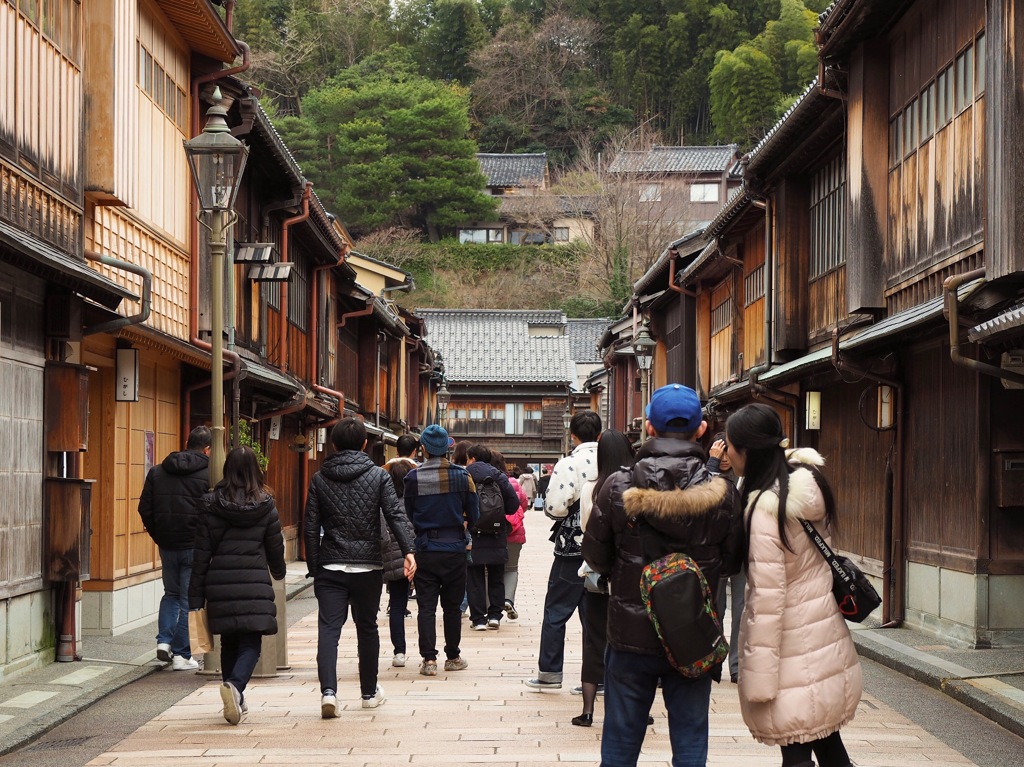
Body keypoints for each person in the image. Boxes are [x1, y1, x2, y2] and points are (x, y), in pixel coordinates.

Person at [582, 384, 744, 767]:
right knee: (690, 740)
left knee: (621, 740)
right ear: (701, 429)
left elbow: (595, 555)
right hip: (693, 631)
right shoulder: (722, 492)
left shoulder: (619, 484)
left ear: (649, 427)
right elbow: (733, 561)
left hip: (629, 632)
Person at [726, 403, 861, 767]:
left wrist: (757, 678)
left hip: (790, 648)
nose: (727, 454)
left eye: (730, 446)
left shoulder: (766, 509)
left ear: (748, 452)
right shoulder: (804, 486)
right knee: (827, 741)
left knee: (797, 749)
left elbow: (767, 602)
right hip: (822, 632)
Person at [303, 418, 416, 717]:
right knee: (367, 628)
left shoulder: (319, 478)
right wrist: (408, 551)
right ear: (365, 444)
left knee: (329, 629)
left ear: (334, 445)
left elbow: (311, 527)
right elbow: (395, 515)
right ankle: (368, 693)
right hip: (368, 565)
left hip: (331, 564)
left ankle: (329, 692)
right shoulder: (378, 477)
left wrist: (315, 567)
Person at [189, 446, 286, 725]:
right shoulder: (266, 504)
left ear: (226, 469)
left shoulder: (210, 504)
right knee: (251, 644)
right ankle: (234, 686)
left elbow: (201, 554)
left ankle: (236, 697)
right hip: (254, 581)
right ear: (256, 469)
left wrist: (194, 596)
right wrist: (278, 571)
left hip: (219, 583)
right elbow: (275, 546)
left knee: (230, 641)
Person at [526, 410, 601, 690]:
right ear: (600, 434)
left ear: (572, 435)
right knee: (596, 615)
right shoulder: (614, 460)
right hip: (604, 547)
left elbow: (555, 507)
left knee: (557, 610)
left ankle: (550, 672)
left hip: (572, 545)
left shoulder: (569, 463)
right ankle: (597, 677)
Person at [573, 429, 635, 728]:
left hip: (598, 573)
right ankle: (636, 708)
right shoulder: (640, 487)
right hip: (633, 575)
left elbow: (588, 529)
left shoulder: (591, 488)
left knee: (594, 639)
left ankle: (587, 710)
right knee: (632, 642)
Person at [404, 424, 479, 676]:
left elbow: (409, 515)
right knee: (452, 606)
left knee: (426, 606)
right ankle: (453, 656)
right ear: (448, 447)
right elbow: (475, 513)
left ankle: (429, 660)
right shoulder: (463, 476)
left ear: (423, 449)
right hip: (455, 546)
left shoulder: (413, 478)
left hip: (425, 546)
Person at [138, 425, 212, 670]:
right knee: (189, 599)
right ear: (208, 449)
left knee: (170, 593)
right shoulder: (210, 473)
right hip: (194, 544)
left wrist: (159, 535)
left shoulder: (158, 471)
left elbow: (144, 508)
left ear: (187, 442)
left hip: (167, 543)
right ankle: (181, 654)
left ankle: (163, 641)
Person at [465, 444, 520, 630]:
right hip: (497, 533)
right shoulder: (499, 476)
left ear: (472, 458)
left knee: (474, 577)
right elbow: (513, 505)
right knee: (496, 574)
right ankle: (495, 616)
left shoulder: (464, 474)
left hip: (473, 532)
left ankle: (478, 619)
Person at [707, 432, 743, 684]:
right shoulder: (705, 477)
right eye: (720, 450)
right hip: (715, 552)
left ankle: (737, 665)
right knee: (715, 608)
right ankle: (715, 660)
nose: (725, 456)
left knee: (741, 609)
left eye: (728, 450)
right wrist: (711, 465)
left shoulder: (746, 478)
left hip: (742, 550)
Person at [382, 436, 420, 669]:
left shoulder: (384, 502)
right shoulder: (415, 500)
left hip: (391, 557)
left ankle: (399, 651)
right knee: (425, 605)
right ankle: (429, 653)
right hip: (415, 555)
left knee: (396, 604)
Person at [498, 451, 528, 621]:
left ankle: (491, 607)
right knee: (511, 569)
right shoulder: (514, 483)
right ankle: (508, 599)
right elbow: (522, 503)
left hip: (493, 533)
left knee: (489, 571)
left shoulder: (484, 481)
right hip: (515, 532)